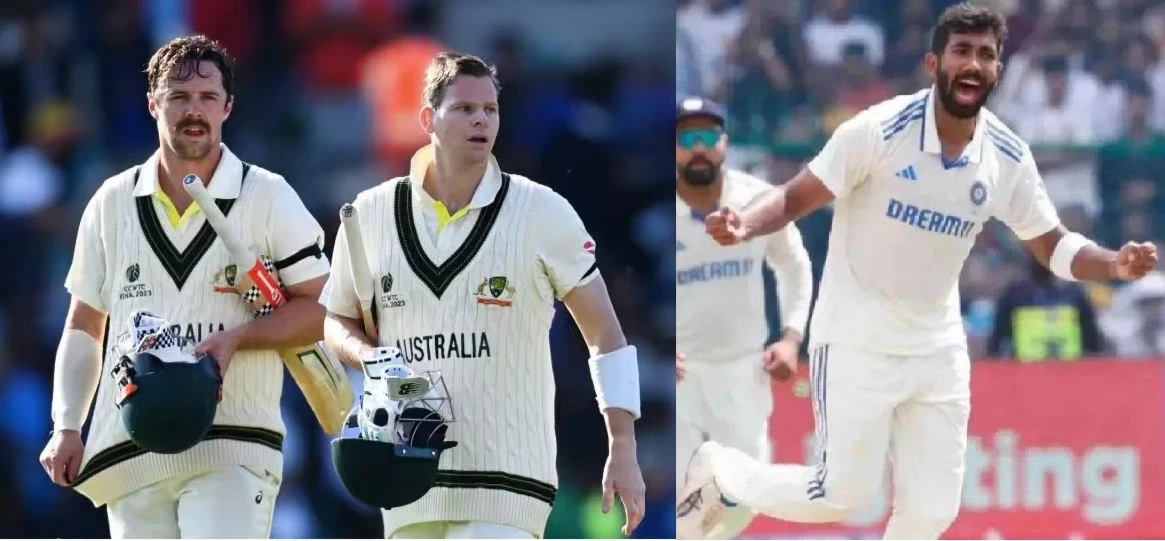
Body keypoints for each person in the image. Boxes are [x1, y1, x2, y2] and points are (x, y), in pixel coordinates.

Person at [681, 4, 1159, 540]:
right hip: (856, 337)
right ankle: (722, 470)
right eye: (961, 52)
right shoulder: (881, 130)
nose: (973, 64)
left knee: (933, 512)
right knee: (842, 495)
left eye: (985, 55)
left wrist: (1112, 263)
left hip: (936, 345)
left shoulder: (1006, 155)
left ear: (998, 70)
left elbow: (1053, 246)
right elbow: (796, 196)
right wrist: (744, 223)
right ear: (934, 64)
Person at [319, 52, 646, 540]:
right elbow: (335, 321)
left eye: (490, 110)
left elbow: (605, 335)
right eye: (465, 108)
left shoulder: (541, 212)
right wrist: (368, 356)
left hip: (508, 482)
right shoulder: (368, 214)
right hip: (406, 479)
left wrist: (623, 444)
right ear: (428, 119)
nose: (482, 120)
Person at [37, 35, 331, 539]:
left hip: (232, 443)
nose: (194, 110)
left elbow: (324, 310)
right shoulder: (111, 201)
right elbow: (84, 326)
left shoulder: (267, 195)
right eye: (178, 96)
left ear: (227, 107)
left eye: (207, 97)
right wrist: (66, 423)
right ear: (153, 104)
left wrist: (239, 338)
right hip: (132, 447)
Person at [674, 96, 813, 539]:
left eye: (707, 137)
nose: (698, 148)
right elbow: (624, 285)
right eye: (686, 140)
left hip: (742, 369)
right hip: (679, 373)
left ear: (725, 143)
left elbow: (795, 267)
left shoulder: (757, 200)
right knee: (679, 496)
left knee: (745, 499)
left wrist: (791, 337)